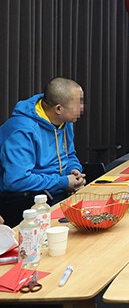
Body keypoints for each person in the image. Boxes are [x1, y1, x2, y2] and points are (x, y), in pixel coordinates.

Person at [0, 77, 86, 226]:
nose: (82, 108)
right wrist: (63, 182)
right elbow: (16, 181)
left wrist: (74, 171)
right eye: (78, 103)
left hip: (57, 193)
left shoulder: (64, 122)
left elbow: (69, 155)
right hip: (27, 203)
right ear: (58, 109)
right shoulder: (22, 131)